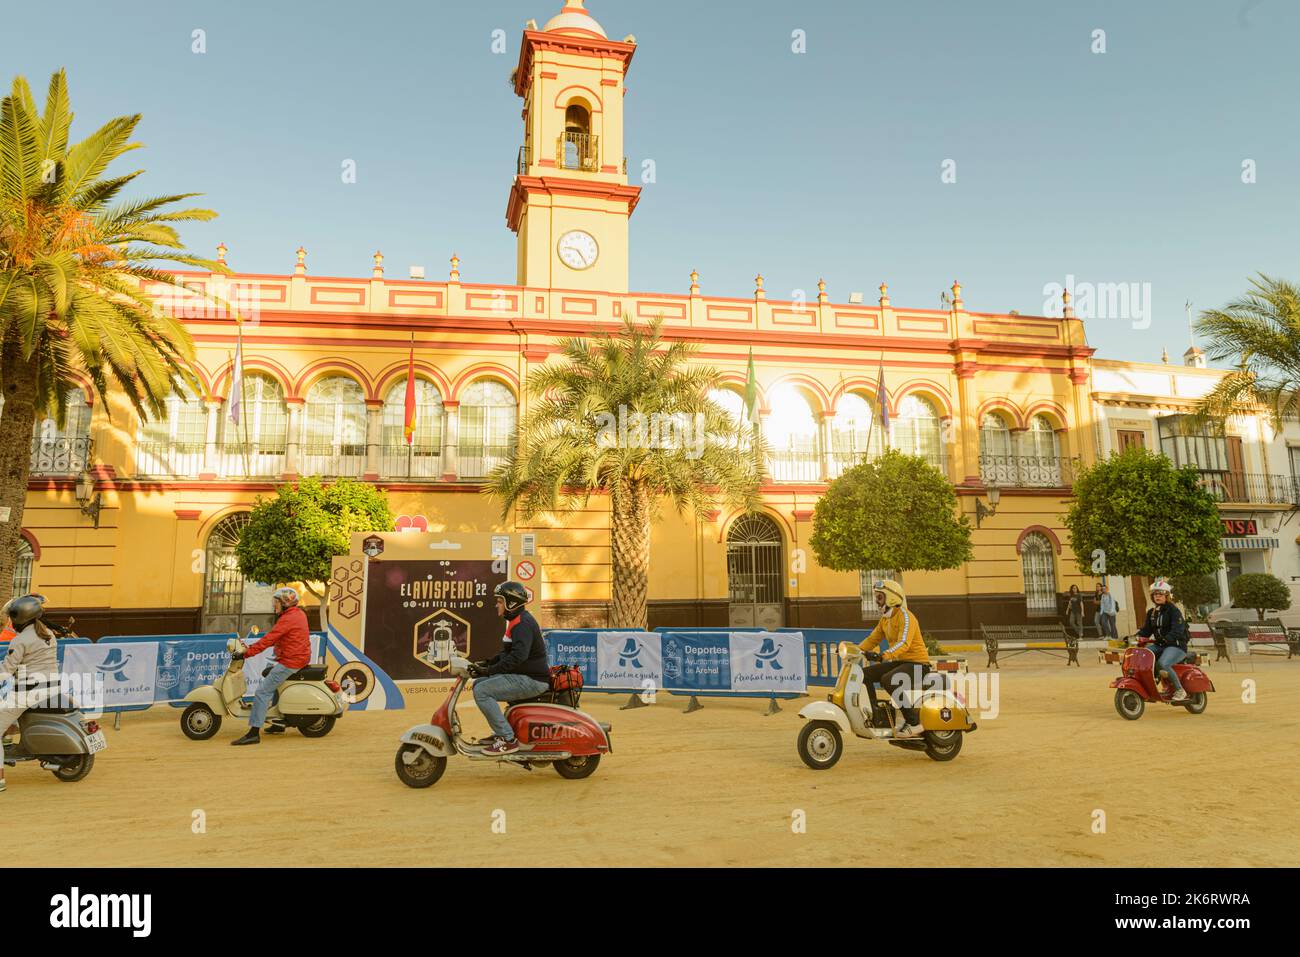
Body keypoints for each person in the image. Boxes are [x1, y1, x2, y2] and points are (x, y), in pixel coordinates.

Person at [469, 581, 550, 756]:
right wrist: (487, 663)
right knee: (478, 684)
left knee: (482, 691)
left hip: (532, 680)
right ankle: (501, 733)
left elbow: (518, 657)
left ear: (510, 603)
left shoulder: (522, 624)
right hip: (526, 677)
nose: (496, 604)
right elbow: (507, 653)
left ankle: (507, 738)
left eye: (499, 601)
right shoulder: (516, 621)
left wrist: (491, 670)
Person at [230, 586, 311, 746]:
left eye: (276, 602)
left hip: (291, 661)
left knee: (262, 691)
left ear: (285, 603)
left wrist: (246, 653)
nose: (274, 605)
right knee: (272, 682)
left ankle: (253, 733)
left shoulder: (288, 618)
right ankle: (277, 723)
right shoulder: (297, 614)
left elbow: (269, 639)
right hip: (296, 658)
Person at [0, 595, 60, 793]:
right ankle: (10, 736)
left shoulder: (20, 640)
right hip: (51, 689)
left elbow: (6, 671)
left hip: (29, 693)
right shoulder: (49, 634)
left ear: (19, 619)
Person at [856, 580, 931, 738]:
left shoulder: (906, 617)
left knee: (889, 680)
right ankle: (875, 715)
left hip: (919, 665)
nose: (877, 601)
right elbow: (873, 639)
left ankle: (914, 723)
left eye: (880, 597)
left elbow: (904, 643)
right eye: (876, 597)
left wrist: (883, 655)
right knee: (863, 674)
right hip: (902, 662)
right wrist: (855, 650)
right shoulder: (885, 619)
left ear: (891, 598)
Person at [1137, 578, 1189, 702]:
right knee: (1144, 657)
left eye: (1160, 594)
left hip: (1176, 646)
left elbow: (1178, 630)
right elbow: (1146, 630)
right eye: (1155, 594)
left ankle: (1180, 690)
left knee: (1163, 663)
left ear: (1167, 595)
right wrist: (1136, 637)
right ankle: (1151, 686)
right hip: (1161, 644)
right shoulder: (1152, 612)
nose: (1157, 596)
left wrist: (1165, 639)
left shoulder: (1173, 611)